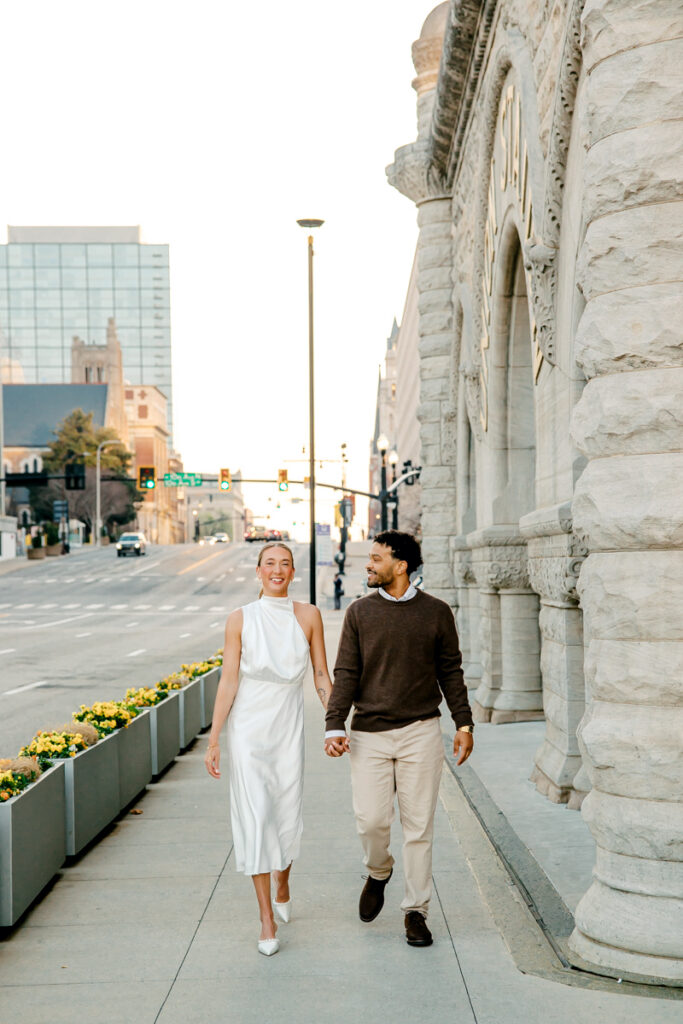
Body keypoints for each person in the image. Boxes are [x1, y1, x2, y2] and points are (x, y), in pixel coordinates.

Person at [324, 530, 474, 948]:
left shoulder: (437, 613)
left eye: (376, 558)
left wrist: (464, 724)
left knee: (418, 827)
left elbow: (451, 672)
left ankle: (416, 911)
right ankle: (378, 871)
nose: (368, 564)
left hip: (421, 732)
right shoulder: (359, 613)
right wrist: (334, 722)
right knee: (371, 822)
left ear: (401, 565)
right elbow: (347, 673)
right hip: (369, 734)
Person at [205, 542, 333, 957]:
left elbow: (320, 676)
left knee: (285, 809)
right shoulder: (240, 619)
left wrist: (335, 724)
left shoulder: (309, 615)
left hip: (287, 723)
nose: (277, 570)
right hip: (247, 727)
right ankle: (265, 918)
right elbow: (228, 681)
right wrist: (214, 738)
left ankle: (283, 879)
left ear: (293, 573)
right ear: (258, 571)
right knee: (256, 814)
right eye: (270, 564)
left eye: (285, 564)